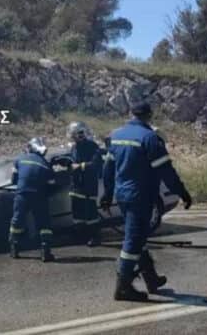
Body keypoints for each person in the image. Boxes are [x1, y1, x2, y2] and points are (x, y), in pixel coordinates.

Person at [103, 102, 193, 301]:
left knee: (138, 236)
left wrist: (107, 195)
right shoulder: (150, 138)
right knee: (133, 241)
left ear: (131, 113)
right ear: (149, 115)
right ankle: (123, 287)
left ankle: (151, 278)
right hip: (140, 196)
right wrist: (182, 192)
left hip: (123, 195)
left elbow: (108, 169)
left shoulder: (116, 136)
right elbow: (166, 172)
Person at [9, 137, 57, 262]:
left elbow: (13, 180)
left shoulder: (19, 159)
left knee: (17, 220)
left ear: (29, 148)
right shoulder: (45, 164)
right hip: (39, 196)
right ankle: (45, 252)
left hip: (22, 195)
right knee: (44, 223)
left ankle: (14, 249)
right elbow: (52, 184)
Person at [66, 121, 104, 247]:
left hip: (88, 186)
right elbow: (72, 162)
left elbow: (96, 164)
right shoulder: (74, 148)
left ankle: (95, 237)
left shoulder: (92, 146)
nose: (74, 137)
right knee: (77, 214)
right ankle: (81, 236)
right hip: (76, 186)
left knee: (91, 213)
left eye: (75, 134)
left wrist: (80, 166)